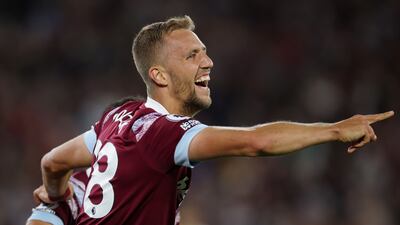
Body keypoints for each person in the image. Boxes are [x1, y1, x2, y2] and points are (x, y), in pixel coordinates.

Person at [33, 15, 394, 225]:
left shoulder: (118, 116)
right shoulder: (165, 133)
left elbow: (53, 162)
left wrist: (57, 197)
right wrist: (333, 130)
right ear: (159, 75)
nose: (208, 62)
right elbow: (255, 142)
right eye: (193, 56)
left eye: (205, 52)